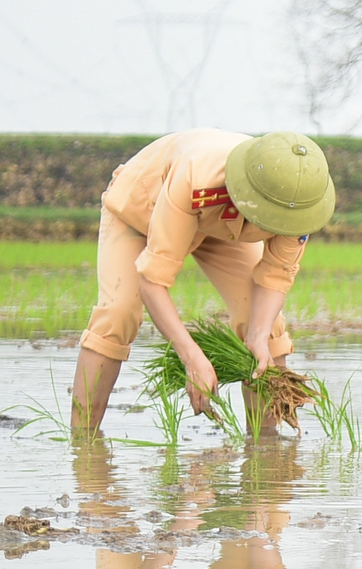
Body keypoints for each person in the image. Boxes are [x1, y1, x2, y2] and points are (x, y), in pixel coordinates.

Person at [70, 129, 335, 431]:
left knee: (267, 327)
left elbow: (275, 279)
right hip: (145, 210)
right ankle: (83, 444)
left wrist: (258, 336)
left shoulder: (299, 205)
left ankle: (265, 452)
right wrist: (192, 357)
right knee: (118, 313)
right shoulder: (196, 179)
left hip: (228, 225)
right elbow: (152, 283)